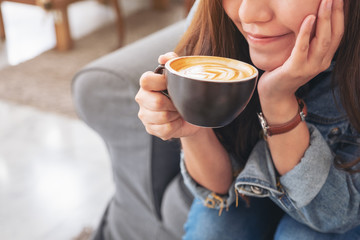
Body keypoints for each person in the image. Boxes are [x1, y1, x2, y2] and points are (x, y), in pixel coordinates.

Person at [135, 0, 360, 239]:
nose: (247, 14)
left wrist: (278, 101)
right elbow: (219, 188)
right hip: (252, 188)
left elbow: (333, 216)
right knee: (213, 230)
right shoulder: (214, 16)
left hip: (335, 207)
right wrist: (194, 127)